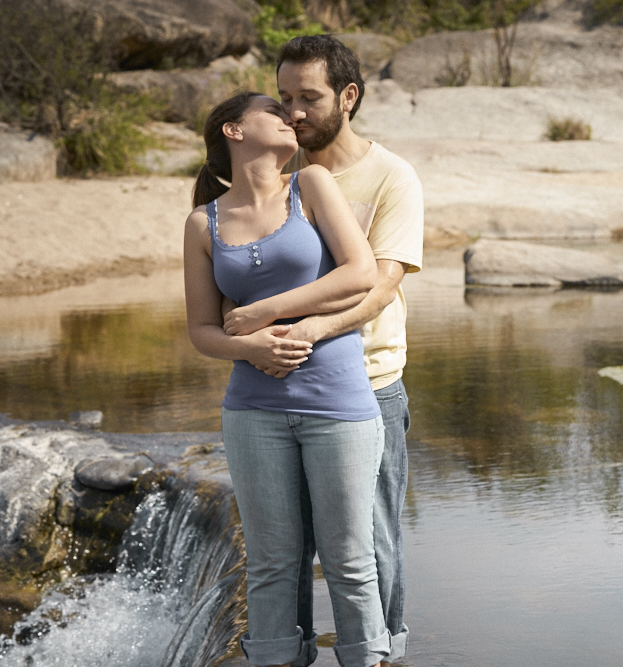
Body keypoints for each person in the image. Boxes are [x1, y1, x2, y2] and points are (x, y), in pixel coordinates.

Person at [220, 35, 424, 667]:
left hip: (369, 381)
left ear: (349, 96)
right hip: (279, 387)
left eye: (308, 97)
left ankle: (386, 653)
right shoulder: (275, 181)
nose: (293, 113)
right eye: (283, 98)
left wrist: (301, 330)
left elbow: (379, 286)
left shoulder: (390, 177)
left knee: (369, 547)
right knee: (287, 550)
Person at [183, 90, 391, 667]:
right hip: (253, 412)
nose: (291, 117)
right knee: (272, 561)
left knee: (350, 560)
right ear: (233, 130)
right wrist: (247, 347)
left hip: (338, 403)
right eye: (275, 112)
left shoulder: (312, 185)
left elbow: (361, 272)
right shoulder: (204, 222)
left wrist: (267, 312)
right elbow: (202, 330)